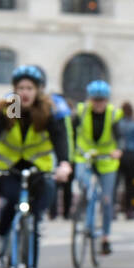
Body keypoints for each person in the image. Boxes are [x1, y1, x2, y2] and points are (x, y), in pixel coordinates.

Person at [0, 64, 72, 268]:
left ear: (38, 90)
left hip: (37, 170)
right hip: (8, 169)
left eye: (30, 88)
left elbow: (59, 138)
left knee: (34, 226)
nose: (25, 93)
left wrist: (63, 164)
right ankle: (0, 239)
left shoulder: (47, 111)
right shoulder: (11, 109)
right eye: (20, 88)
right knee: (10, 199)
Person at [71, 80, 123, 254]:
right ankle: (85, 206)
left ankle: (105, 237)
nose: (98, 104)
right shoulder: (81, 111)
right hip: (85, 156)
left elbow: (120, 137)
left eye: (102, 100)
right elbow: (70, 133)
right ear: (89, 99)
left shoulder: (114, 114)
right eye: (95, 100)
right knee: (84, 183)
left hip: (107, 161)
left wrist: (118, 150)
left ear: (107, 100)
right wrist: (72, 151)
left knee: (107, 200)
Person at [115, 102, 134, 220]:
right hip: (132, 156)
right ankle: (129, 210)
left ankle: (113, 209)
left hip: (119, 154)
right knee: (130, 185)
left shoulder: (118, 124)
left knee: (116, 184)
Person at [48, 92, 74, 220]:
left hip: (63, 155)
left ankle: (56, 213)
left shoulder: (63, 117)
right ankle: (62, 213)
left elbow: (63, 138)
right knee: (57, 185)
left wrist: (65, 160)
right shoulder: (67, 117)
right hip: (64, 155)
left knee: (57, 185)